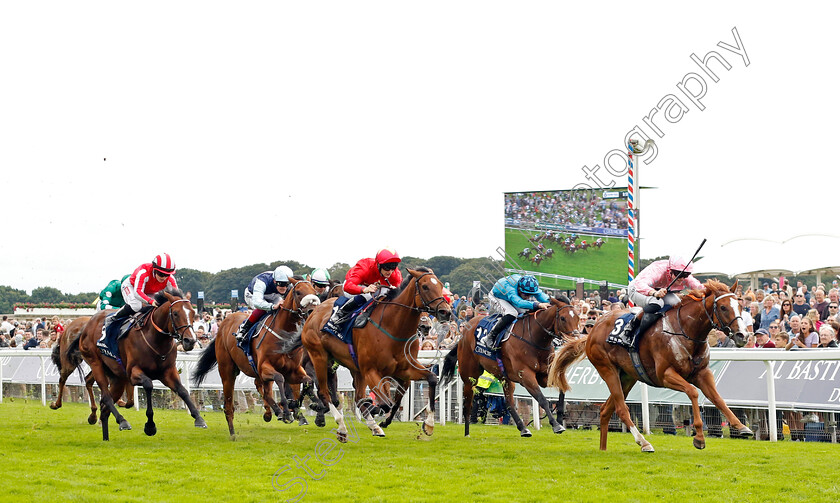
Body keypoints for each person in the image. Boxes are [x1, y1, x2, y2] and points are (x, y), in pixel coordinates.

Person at [626, 256, 704, 345]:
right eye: (679, 274)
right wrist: (654, 293)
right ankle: (631, 325)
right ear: (670, 270)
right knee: (657, 302)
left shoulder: (682, 273)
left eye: (685, 275)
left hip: (660, 290)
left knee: (677, 303)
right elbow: (639, 284)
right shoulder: (658, 270)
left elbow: (699, 287)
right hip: (637, 289)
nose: (682, 278)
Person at [324, 248, 403, 334]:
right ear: (379, 264)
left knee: (387, 293)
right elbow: (347, 286)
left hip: (374, 288)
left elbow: (399, 290)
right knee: (368, 295)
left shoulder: (395, 274)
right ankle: (339, 314)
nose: (390, 272)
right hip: (353, 286)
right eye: (387, 268)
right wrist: (364, 289)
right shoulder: (364, 267)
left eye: (393, 267)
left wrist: (395, 289)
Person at [101, 253, 179, 336]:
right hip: (131, 286)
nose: (163, 277)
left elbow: (176, 297)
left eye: (167, 275)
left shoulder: (170, 279)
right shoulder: (144, 273)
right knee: (136, 305)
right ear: (154, 269)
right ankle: (113, 318)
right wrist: (150, 301)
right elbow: (138, 292)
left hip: (148, 290)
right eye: (161, 274)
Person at [484, 274, 550, 351]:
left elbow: (542, 296)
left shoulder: (528, 286)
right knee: (512, 313)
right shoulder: (510, 288)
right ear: (519, 289)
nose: (528, 297)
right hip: (497, 297)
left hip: (510, 297)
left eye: (531, 295)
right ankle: (490, 336)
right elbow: (519, 302)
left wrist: (553, 302)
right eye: (526, 294)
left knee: (526, 310)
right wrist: (538, 304)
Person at [235, 265, 294, 343]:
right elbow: (257, 302)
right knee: (263, 309)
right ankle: (244, 328)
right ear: (274, 281)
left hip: (273, 296)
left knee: (283, 308)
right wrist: (272, 306)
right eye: (281, 284)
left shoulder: (287, 283)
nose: (284, 287)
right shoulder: (262, 282)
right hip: (252, 295)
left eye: (287, 284)